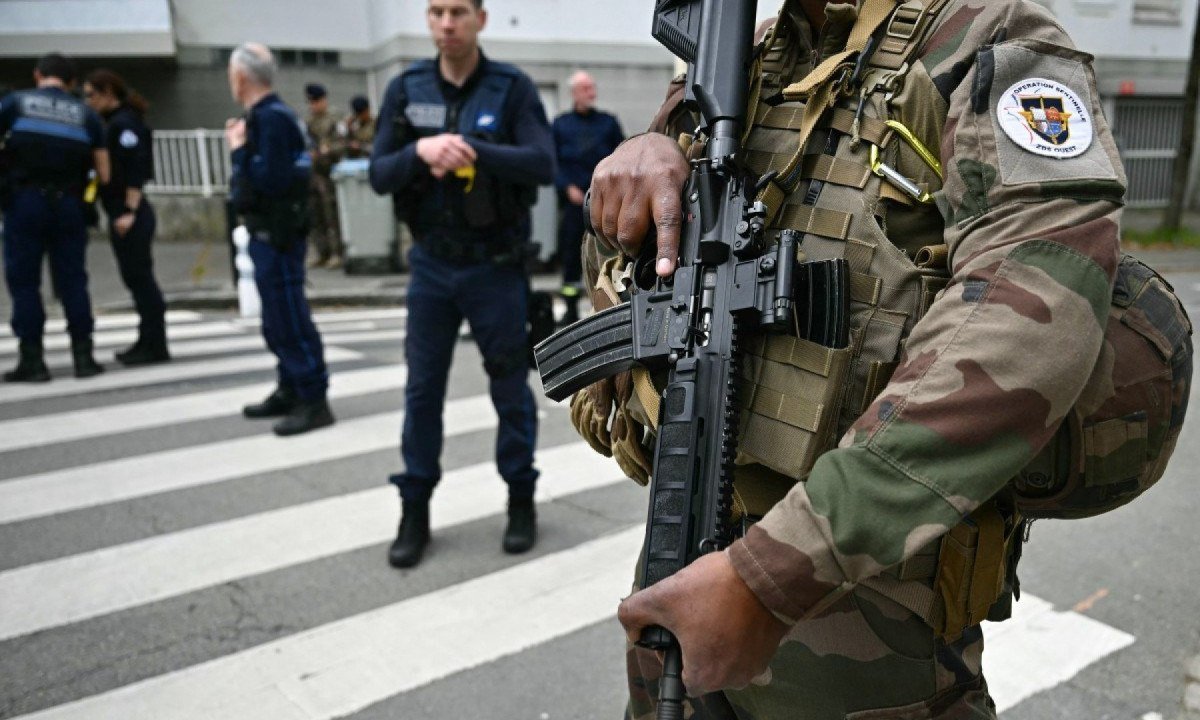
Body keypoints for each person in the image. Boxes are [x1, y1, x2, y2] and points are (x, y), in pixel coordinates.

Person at [576, 0, 1131, 717]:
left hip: (859, 618)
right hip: (682, 561)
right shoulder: (741, 53)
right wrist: (638, 163)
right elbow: (640, 273)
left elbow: (1035, 300)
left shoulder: (986, 34)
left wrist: (774, 573)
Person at [369, 0, 555, 568]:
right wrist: (420, 151)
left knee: (509, 389)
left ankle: (520, 499)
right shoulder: (406, 88)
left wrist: (475, 151)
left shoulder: (511, 88)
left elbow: (542, 163)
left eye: (457, 11)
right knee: (422, 391)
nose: (446, 23)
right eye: (436, 11)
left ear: (480, 19)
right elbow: (379, 173)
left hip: (494, 266)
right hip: (431, 265)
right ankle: (415, 508)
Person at [226, 43, 335, 437]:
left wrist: (239, 151)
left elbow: (269, 180)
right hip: (273, 231)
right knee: (276, 318)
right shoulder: (271, 116)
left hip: (278, 233)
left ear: (240, 77)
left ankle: (312, 397)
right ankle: (291, 386)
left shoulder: (271, 118)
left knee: (288, 316)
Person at [0, 52, 108, 382]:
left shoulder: (15, 104)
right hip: (70, 205)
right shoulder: (86, 115)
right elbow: (104, 173)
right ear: (72, 82)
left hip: (24, 202)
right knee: (73, 280)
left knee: (25, 283)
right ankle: (84, 357)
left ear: (37, 75)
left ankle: (33, 361)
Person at [83, 69, 170, 366]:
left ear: (108, 92)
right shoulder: (115, 122)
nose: (88, 101)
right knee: (136, 278)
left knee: (141, 279)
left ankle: (155, 343)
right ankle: (148, 339)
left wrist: (129, 211)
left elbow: (137, 168)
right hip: (121, 211)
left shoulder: (124, 124)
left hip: (129, 212)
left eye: (91, 95)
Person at [550, 70, 623, 325]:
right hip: (573, 204)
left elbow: (619, 157)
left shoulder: (608, 123)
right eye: (585, 88)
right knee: (571, 255)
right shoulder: (561, 125)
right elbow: (553, 162)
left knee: (607, 251)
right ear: (574, 93)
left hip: (603, 201)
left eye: (592, 87)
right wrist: (566, 187)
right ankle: (570, 308)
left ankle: (607, 304)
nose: (591, 93)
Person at [304, 83, 343, 269]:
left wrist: (327, 150)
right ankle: (322, 252)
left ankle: (337, 252)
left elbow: (342, 144)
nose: (313, 105)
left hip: (330, 173)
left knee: (332, 215)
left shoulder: (334, 119)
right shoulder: (309, 122)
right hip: (314, 173)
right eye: (311, 102)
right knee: (315, 214)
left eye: (316, 101)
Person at [342, 95, 375, 159]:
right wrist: (348, 130)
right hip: (356, 159)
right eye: (359, 114)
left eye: (364, 113)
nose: (361, 116)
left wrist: (361, 146)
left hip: (371, 157)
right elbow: (345, 143)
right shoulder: (354, 125)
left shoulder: (376, 124)